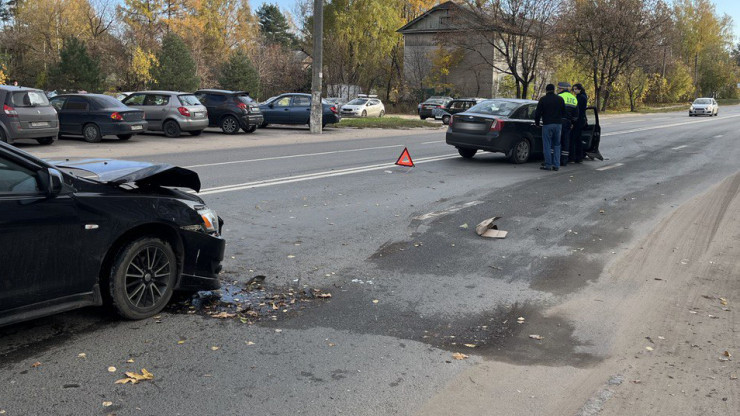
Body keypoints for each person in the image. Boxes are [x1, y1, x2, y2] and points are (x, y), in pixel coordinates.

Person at [534, 84, 566, 171]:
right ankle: (556, 165)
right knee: (557, 145)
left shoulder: (543, 99)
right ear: (554, 89)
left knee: (547, 145)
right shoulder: (560, 99)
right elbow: (564, 112)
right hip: (558, 125)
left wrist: (537, 123)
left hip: (547, 124)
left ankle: (548, 165)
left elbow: (537, 113)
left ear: (546, 90)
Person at [557, 82, 579, 166]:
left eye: (559, 88)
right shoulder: (573, 98)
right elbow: (576, 114)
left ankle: (556, 159)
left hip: (559, 121)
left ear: (562, 89)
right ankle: (564, 160)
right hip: (568, 122)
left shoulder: (559, 97)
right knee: (566, 141)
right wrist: (572, 122)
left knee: (557, 141)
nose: (558, 90)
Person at [570, 83, 588, 163]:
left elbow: (578, 110)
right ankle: (578, 156)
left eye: (575, 89)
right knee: (578, 139)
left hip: (578, 120)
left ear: (579, 89)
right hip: (580, 120)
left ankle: (576, 157)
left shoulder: (581, 97)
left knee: (575, 138)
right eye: (573, 89)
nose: (574, 90)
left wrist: (573, 120)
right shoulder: (583, 96)